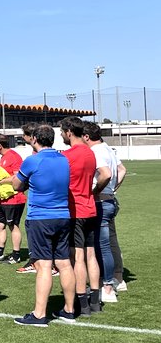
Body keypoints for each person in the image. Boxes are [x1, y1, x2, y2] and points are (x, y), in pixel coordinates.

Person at [8, 124, 76, 327]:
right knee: (64, 263)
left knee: (44, 265)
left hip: (40, 218)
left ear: (35, 140)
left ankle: (39, 314)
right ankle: (69, 309)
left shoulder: (32, 161)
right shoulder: (64, 159)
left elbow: (16, 185)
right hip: (63, 216)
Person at [60, 117, 102, 316]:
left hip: (75, 209)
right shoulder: (90, 152)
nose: (61, 135)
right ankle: (95, 300)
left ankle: (82, 303)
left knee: (77, 257)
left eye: (62, 131)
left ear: (69, 132)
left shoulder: (68, 155)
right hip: (90, 206)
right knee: (91, 255)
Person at [82, 121, 126, 303]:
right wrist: (113, 189)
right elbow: (122, 170)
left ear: (86, 137)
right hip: (110, 200)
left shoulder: (96, 151)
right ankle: (118, 278)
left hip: (101, 202)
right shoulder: (107, 149)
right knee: (111, 241)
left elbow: (106, 174)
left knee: (102, 245)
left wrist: (96, 191)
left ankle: (107, 287)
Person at [0, 134, 27, 265]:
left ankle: (16, 255)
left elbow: (18, 177)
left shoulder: (14, 157)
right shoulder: (4, 158)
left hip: (14, 198)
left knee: (13, 226)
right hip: (3, 199)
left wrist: (1, 180)